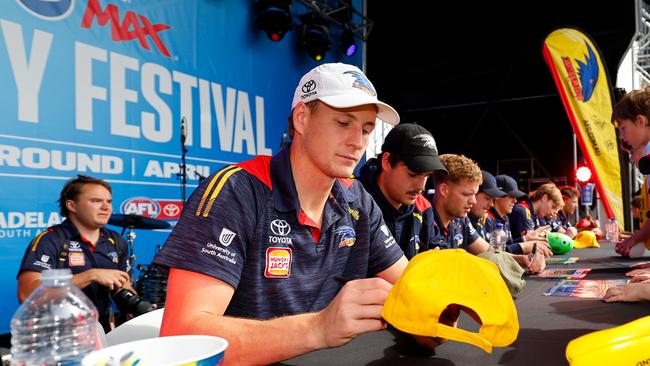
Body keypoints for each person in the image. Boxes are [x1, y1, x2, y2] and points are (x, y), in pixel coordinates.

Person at [152, 63, 412, 364]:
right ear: (302, 118)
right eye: (343, 123)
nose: (358, 142)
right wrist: (319, 327)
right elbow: (181, 337)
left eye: (366, 129)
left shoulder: (357, 198)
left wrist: (438, 307)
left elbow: (410, 286)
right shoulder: (235, 191)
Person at [17, 175, 131, 332]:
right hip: (61, 336)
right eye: (96, 201)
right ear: (72, 205)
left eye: (109, 201)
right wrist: (90, 275)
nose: (106, 207)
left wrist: (136, 305)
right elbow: (26, 294)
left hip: (101, 333)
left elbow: (124, 285)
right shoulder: (50, 240)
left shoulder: (116, 241)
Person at [429, 154, 545, 273]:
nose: (473, 201)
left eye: (474, 194)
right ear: (444, 190)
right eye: (466, 194)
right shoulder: (423, 218)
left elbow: (489, 253)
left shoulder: (461, 218)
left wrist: (523, 259)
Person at [357, 123, 447, 259]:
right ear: (387, 162)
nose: (421, 187)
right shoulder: (353, 202)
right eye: (413, 174)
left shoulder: (422, 206)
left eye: (427, 176)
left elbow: (438, 255)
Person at [483, 174, 552, 256]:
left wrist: (525, 239)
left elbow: (507, 246)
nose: (515, 201)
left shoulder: (505, 217)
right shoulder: (487, 218)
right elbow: (494, 254)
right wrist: (524, 246)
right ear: (498, 195)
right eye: (511, 196)